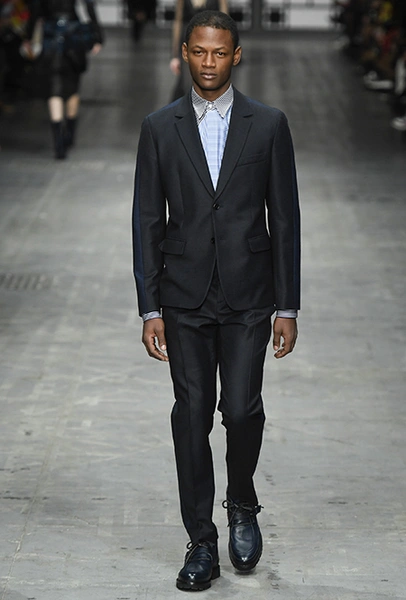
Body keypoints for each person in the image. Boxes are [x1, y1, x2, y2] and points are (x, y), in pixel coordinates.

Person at [132, 10, 300, 591]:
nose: (209, 62)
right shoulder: (159, 127)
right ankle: (201, 540)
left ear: (236, 55)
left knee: (243, 410)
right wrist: (150, 307)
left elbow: (285, 217)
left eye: (219, 52)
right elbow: (147, 220)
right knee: (192, 415)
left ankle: (243, 501)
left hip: (250, 293)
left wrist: (288, 305)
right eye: (199, 52)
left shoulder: (269, 124)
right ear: (185, 53)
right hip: (183, 296)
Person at [22, 0, 103, 159]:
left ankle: (58, 143)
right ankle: (69, 134)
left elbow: (35, 9)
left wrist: (28, 36)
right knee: (72, 88)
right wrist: (97, 36)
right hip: (73, 34)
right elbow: (89, 6)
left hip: (51, 35)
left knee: (54, 90)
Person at [170, 0, 227, 101]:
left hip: (211, 44)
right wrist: (175, 55)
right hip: (188, 44)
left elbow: (225, 21)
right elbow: (178, 21)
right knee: (187, 83)